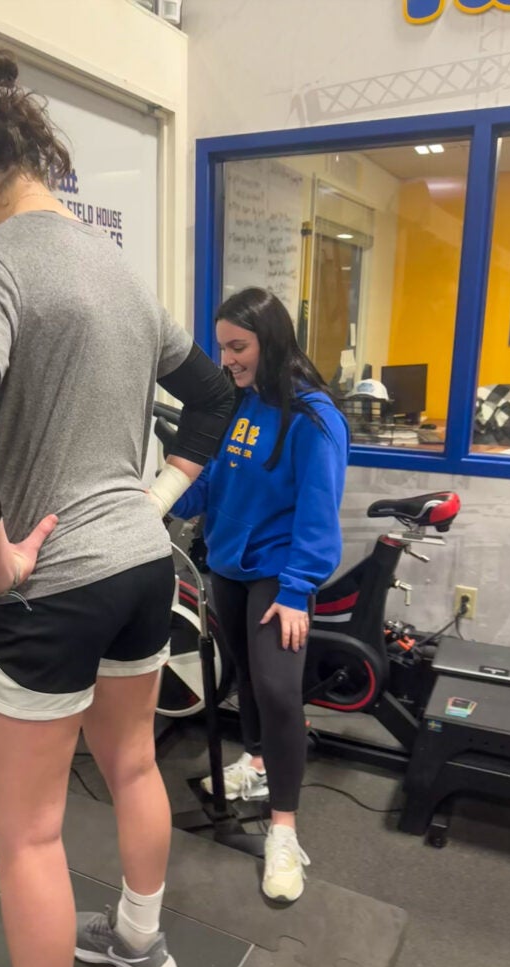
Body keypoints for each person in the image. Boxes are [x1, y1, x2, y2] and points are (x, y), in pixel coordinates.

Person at [0, 50, 233, 967]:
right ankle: (140, 942)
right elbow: (215, 395)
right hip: (141, 566)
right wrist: (159, 496)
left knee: (29, 833)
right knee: (132, 763)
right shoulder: (119, 271)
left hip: (51, 585)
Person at [171, 287, 349, 903]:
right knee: (245, 677)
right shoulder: (237, 406)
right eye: (222, 347)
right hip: (230, 567)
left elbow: (319, 513)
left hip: (279, 575)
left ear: (270, 341)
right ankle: (256, 763)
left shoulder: (314, 416)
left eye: (238, 346)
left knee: (277, 690)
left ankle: (283, 831)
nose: (228, 359)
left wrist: (298, 590)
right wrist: (166, 490)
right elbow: (214, 486)